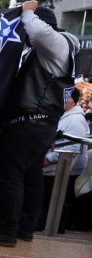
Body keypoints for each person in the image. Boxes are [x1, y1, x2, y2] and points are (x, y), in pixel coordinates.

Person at [0, 1, 80, 246]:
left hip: (30, 121)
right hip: (39, 123)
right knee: (30, 176)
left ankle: (6, 230)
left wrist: (27, 11)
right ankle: (24, 228)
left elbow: (39, 31)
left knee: (9, 175)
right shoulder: (58, 51)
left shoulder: (57, 42)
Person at [38, 87, 89, 232]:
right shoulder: (65, 115)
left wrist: (48, 159)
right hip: (54, 167)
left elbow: (72, 147)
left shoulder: (75, 119)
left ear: (73, 101)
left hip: (60, 168)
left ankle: (53, 227)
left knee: (54, 200)